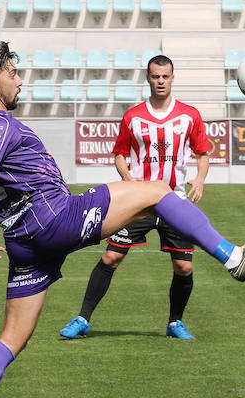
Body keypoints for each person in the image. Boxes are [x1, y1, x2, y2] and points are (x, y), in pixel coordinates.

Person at [0, 42, 245, 398]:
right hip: (54, 218)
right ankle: (233, 257)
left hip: (23, 240)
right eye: (13, 73)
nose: (20, 80)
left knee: (11, 338)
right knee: (154, 190)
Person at [59, 56, 210, 341]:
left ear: (173, 78)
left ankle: (175, 323)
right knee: (111, 256)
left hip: (174, 202)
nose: (161, 81)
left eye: (165, 76)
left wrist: (199, 179)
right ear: (148, 78)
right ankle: (82, 319)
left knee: (184, 266)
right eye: (155, 76)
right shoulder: (133, 117)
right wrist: (129, 182)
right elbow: (120, 155)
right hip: (139, 204)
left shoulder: (190, 115)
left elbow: (202, 154)